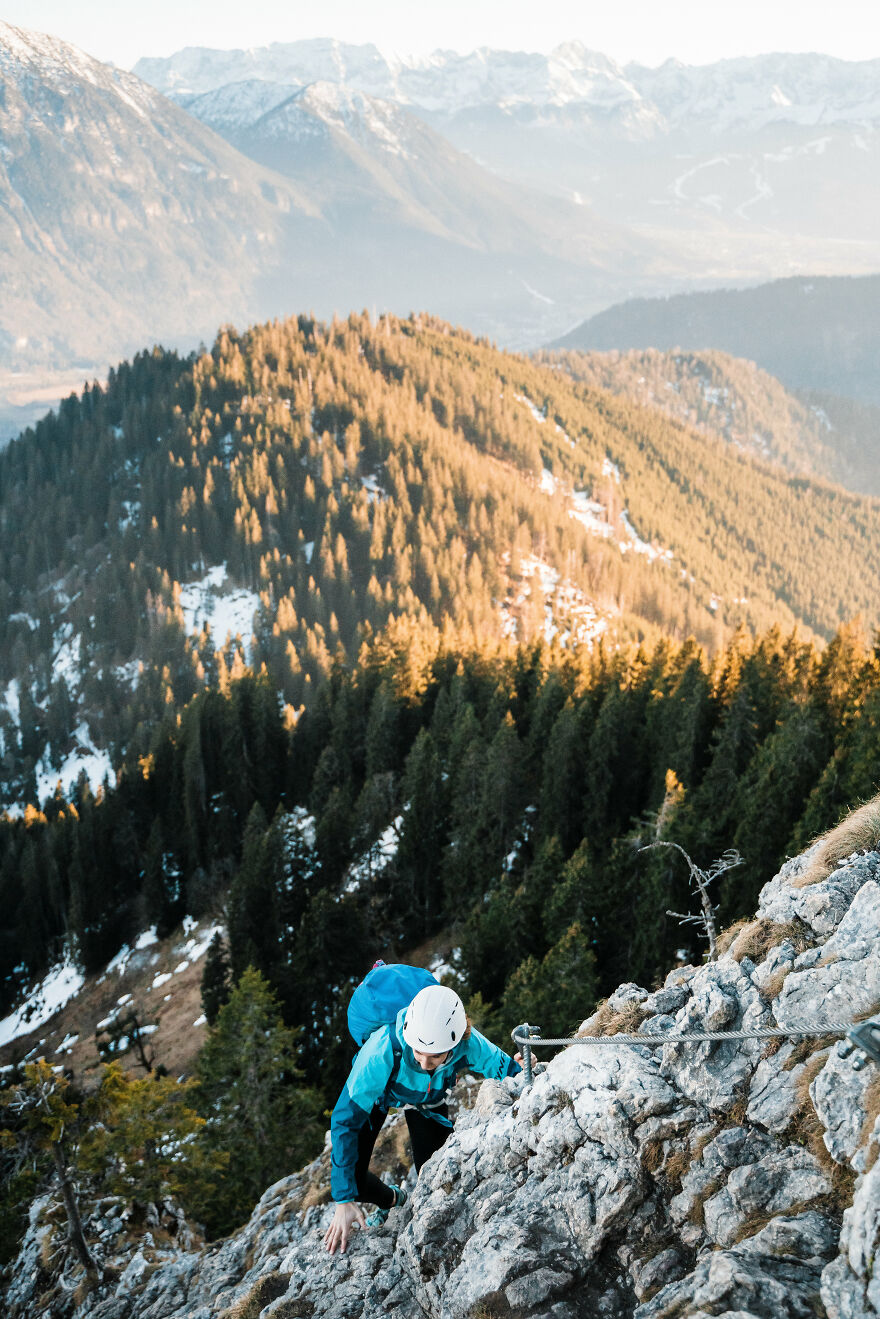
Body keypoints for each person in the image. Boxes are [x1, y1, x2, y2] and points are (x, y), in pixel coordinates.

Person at [323, 982, 522, 1254]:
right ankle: (393, 1199)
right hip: (381, 1096)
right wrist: (343, 1199)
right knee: (353, 1182)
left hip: (429, 1101)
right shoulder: (380, 1051)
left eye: (435, 1056)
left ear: (454, 1042)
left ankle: (407, 1194)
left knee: (435, 1177)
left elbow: (509, 1070)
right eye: (417, 1051)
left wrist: (521, 1070)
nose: (424, 1064)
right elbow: (345, 1120)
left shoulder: (467, 1042)